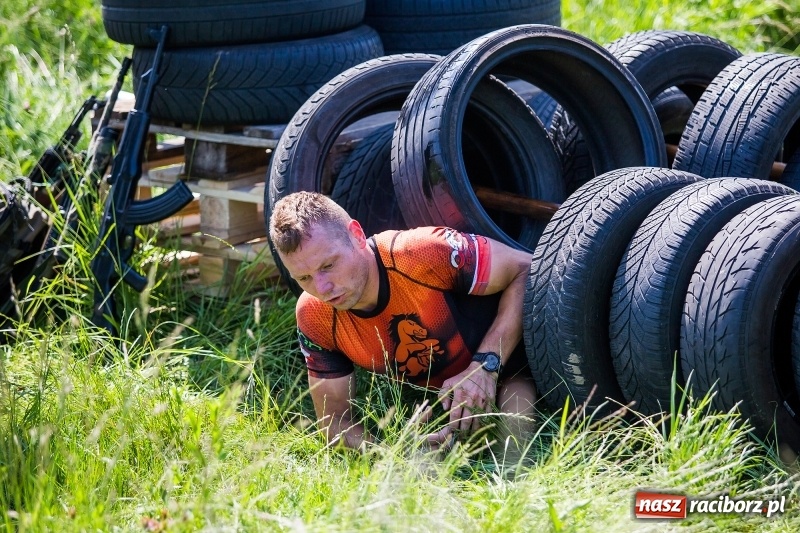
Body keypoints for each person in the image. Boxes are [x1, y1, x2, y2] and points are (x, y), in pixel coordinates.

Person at [269, 191, 537, 453]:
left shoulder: (420, 252)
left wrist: (485, 365)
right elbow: (334, 423)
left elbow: (529, 269)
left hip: (535, 355)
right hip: (460, 396)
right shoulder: (315, 314)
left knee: (515, 433)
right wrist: (393, 454)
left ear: (357, 234)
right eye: (304, 279)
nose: (322, 288)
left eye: (328, 266)